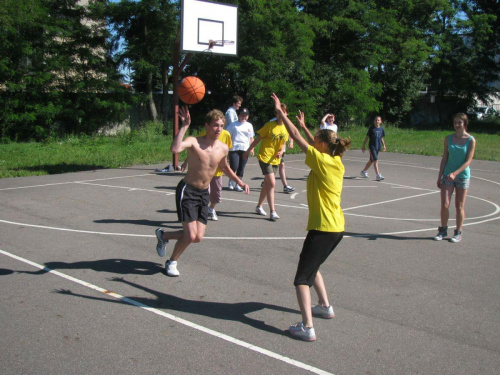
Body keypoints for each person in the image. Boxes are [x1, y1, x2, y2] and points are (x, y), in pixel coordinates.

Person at [271, 93, 351, 342]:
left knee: (301, 279)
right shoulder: (335, 160)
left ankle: (307, 327)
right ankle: (325, 307)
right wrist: (307, 127)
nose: (313, 142)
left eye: (316, 140)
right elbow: (310, 141)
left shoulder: (323, 161)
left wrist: (281, 114)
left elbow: (295, 138)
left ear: (322, 145)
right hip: (336, 227)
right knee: (312, 266)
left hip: (323, 227)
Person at [155, 107, 250, 277]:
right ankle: (172, 262)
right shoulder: (194, 142)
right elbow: (175, 149)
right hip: (188, 191)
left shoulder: (223, 148)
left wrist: (240, 182)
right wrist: (184, 126)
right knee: (190, 235)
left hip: (204, 193)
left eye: (221, 126)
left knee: (198, 237)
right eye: (215, 125)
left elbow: (224, 167)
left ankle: (164, 235)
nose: (218, 129)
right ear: (206, 126)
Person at [243, 102, 290, 221]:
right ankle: (273, 211)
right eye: (278, 113)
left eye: (282, 113)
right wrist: (248, 150)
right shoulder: (269, 125)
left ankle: (259, 206)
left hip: (275, 159)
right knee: (272, 183)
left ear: (286, 114)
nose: (280, 115)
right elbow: (257, 139)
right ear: (276, 114)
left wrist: (280, 151)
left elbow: (283, 142)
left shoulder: (286, 127)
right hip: (265, 157)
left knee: (267, 183)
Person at [434, 113, 476, 243]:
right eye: (455, 123)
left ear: (464, 123)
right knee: (445, 204)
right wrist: (440, 175)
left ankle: (458, 232)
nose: (457, 125)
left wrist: (455, 173)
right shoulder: (449, 138)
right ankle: (443, 229)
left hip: (462, 176)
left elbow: (468, 161)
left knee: (459, 205)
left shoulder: (471, 140)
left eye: (459, 122)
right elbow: (445, 158)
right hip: (447, 175)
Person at [226, 108, 255, 192]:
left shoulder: (249, 125)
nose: (244, 117)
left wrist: (252, 148)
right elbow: (227, 137)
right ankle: (231, 181)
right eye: (242, 115)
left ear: (248, 116)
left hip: (245, 149)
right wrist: (226, 149)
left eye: (246, 116)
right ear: (239, 116)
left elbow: (251, 138)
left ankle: (238, 184)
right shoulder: (233, 125)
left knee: (241, 168)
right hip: (234, 148)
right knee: (234, 166)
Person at [360, 115, 386, 181]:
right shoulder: (372, 128)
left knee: (372, 160)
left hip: (378, 147)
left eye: (378, 120)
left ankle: (363, 171)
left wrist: (384, 145)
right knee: (376, 160)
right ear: (374, 121)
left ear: (381, 121)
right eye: (375, 120)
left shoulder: (381, 129)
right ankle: (378, 175)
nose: (377, 121)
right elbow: (367, 137)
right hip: (372, 147)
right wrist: (363, 145)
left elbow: (381, 138)